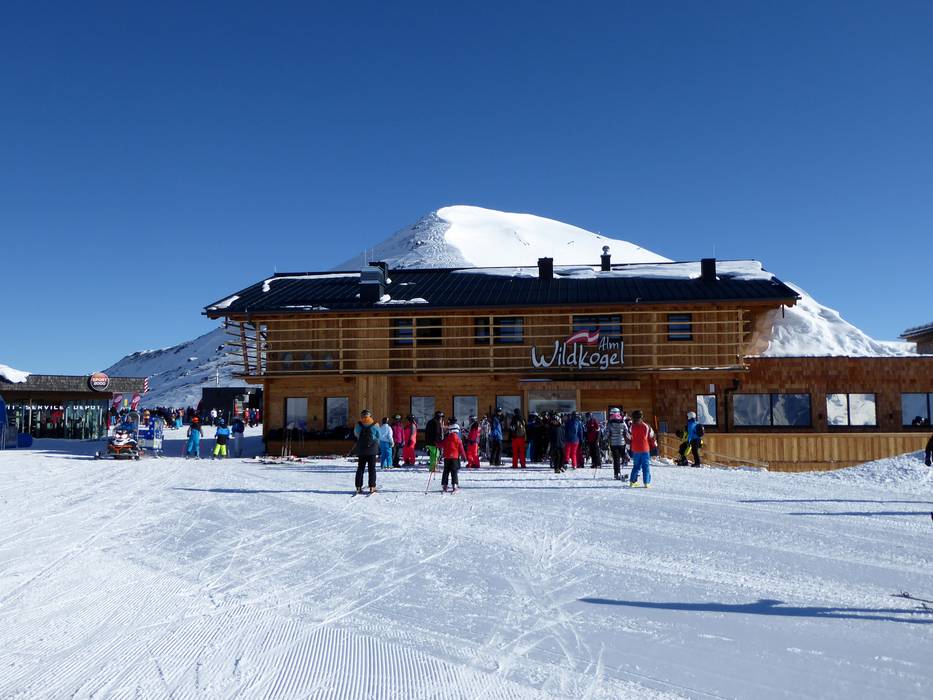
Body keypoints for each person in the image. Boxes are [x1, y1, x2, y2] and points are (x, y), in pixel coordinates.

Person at [353, 409, 380, 494]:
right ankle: (372, 487)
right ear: (370, 416)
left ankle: (358, 487)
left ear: (362, 416)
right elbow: (378, 435)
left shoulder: (358, 424)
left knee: (360, 468)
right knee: (372, 468)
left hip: (361, 449)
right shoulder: (375, 424)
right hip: (372, 449)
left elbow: (356, 434)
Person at [628, 410, 655, 487]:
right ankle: (646, 483)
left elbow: (629, 437)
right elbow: (652, 436)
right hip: (645, 449)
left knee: (636, 466)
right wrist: (654, 446)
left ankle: (632, 482)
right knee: (645, 467)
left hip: (635, 449)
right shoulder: (646, 426)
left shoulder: (631, 427)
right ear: (641, 417)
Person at [441, 416, 467, 492]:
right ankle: (454, 485)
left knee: (446, 471)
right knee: (454, 472)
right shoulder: (458, 439)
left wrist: (436, 443)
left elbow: (441, 444)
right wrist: (464, 457)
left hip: (447, 457)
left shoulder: (447, 438)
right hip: (455, 458)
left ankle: (444, 485)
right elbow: (461, 449)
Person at [607, 408, 628, 480]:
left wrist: (604, 438)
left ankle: (617, 473)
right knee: (621, 456)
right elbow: (626, 430)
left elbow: (607, 433)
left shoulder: (610, 423)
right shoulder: (622, 421)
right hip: (622, 443)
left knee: (616, 459)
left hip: (613, 443)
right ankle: (624, 459)